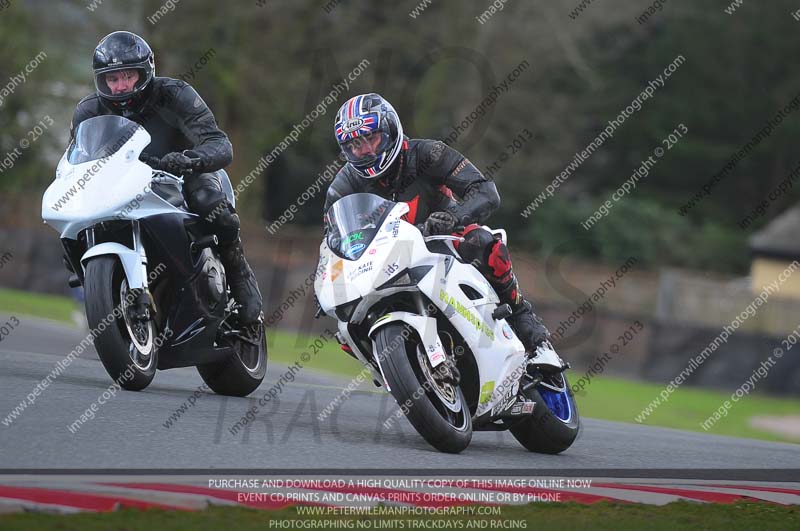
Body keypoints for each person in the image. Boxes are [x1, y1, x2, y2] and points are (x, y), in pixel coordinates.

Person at [324, 93, 549, 352]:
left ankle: (520, 312)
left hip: (442, 241)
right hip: (384, 263)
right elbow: (333, 242)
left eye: (371, 138)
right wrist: (327, 286)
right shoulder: (343, 185)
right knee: (346, 331)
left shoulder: (428, 153)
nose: (365, 150)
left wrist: (455, 218)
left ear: (390, 130)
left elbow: (485, 191)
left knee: (482, 242)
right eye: (354, 144)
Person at [69, 31, 262, 331]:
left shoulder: (175, 94)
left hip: (183, 175)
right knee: (75, 215)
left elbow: (219, 143)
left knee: (209, 203)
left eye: (128, 76)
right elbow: (77, 158)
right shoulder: (89, 111)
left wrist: (190, 159)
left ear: (145, 72)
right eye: (112, 79)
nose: (120, 86)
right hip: (121, 186)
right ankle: (93, 279)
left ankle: (239, 272)